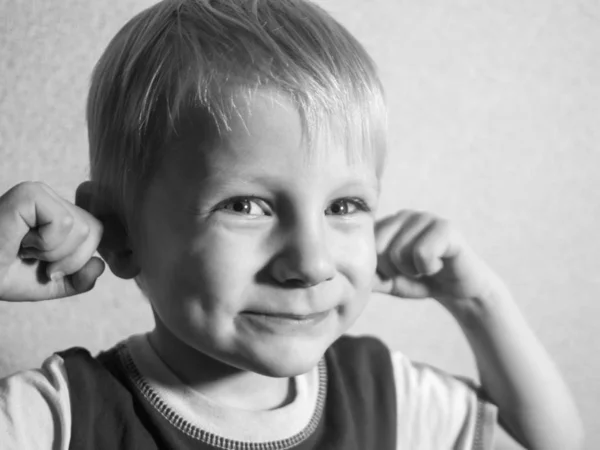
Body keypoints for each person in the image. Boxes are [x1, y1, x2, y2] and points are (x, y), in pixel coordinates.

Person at [0, 0, 583, 449]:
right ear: (122, 233)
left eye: (344, 207)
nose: (311, 263)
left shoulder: (383, 395)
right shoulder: (60, 417)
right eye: (247, 206)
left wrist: (480, 302)